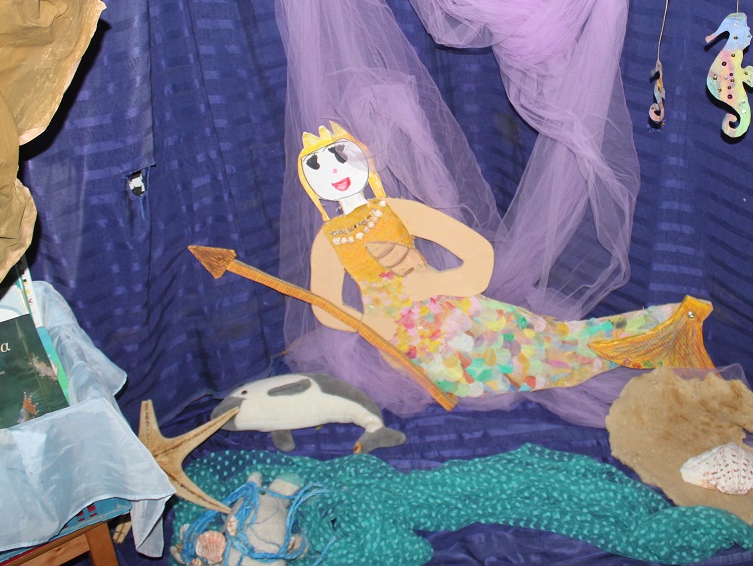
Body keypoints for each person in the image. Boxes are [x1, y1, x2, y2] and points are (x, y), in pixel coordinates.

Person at [299, 122, 714, 399]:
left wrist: (437, 283)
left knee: (547, 340)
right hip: (401, 341)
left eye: (342, 157)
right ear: (311, 184)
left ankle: (659, 331)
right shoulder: (329, 238)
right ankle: (655, 340)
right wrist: (369, 324)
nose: (334, 172)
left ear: (365, 160)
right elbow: (325, 304)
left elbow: (479, 253)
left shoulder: (396, 212)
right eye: (319, 167)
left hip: (453, 312)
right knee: (514, 365)